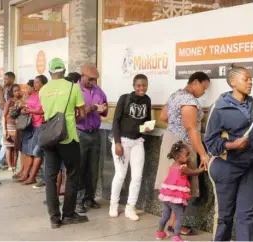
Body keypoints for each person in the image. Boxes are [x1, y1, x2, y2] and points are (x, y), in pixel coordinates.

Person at [204, 66, 253, 241]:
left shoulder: (250, 101)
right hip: (227, 168)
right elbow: (211, 143)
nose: (250, 82)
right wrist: (232, 145)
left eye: (251, 79)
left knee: (248, 215)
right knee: (225, 217)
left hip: (251, 166)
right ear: (232, 82)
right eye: (246, 79)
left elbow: (244, 129)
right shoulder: (219, 107)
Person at [155, 72, 210, 235]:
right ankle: (174, 224)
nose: (204, 92)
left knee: (173, 183)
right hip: (184, 146)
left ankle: (171, 223)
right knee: (181, 185)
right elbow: (191, 128)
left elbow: (164, 116)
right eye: (203, 88)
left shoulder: (175, 95)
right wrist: (203, 153)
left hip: (170, 143)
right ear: (195, 82)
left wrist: (176, 123)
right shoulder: (189, 100)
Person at [39, 58, 87, 229]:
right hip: (68, 137)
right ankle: (68, 214)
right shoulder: (73, 87)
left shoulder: (43, 90)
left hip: (49, 138)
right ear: (64, 71)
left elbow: (45, 111)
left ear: (50, 72)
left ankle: (54, 218)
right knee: (72, 175)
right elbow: (82, 114)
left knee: (50, 178)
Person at [109, 74, 152, 221]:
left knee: (137, 176)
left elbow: (147, 120)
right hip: (122, 141)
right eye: (139, 85)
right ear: (134, 86)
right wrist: (117, 143)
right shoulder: (124, 98)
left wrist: (146, 129)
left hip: (138, 141)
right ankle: (113, 204)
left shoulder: (147, 100)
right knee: (121, 174)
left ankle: (130, 207)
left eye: (144, 85)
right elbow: (115, 122)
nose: (142, 88)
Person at [156, 141, 204, 242]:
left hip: (167, 196)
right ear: (178, 157)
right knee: (179, 217)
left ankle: (160, 233)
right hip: (176, 198)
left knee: (165, 216)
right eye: (186, 155)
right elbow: (194, 172)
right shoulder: (183, 168)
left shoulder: (172, 165)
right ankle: (176, 237)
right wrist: (203, 168)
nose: (188, 158)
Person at [76, 64, 108, 213]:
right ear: (82, 76)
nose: (92, 82)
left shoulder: (98, 91)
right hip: (80, 133)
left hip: (95, 133)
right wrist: (90, 109)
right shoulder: (75, 91)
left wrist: (103, 109)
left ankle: (90, 198)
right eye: (90, 79)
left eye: (95, 80)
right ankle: (78, 200)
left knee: (93, 168)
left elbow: (105, 111)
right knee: (80, 168)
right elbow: (74, 114)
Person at [19, 76, 47, 185]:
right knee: (28, 151)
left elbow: (42, 110)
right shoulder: (34, 94)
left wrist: (29, 110)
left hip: (40, 125)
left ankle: (32, 176)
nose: (35, 84)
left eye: (37, 82)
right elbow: (29, 106)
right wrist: (24, 109)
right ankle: (26, 173)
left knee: (36, 152)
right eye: (34, 83)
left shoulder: (44, 95)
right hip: (30, 124)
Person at [2, 84, 22, 172]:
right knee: (9, 147)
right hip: (9, 127)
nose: (17, 92)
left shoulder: (22, 101)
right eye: (15, 91)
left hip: (18, 127)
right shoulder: (9, 101)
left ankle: (14, 165)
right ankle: (10, 166)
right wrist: (4, 129)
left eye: (18, 90)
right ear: (12, 92)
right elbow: (4, 115)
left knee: (16, 147)